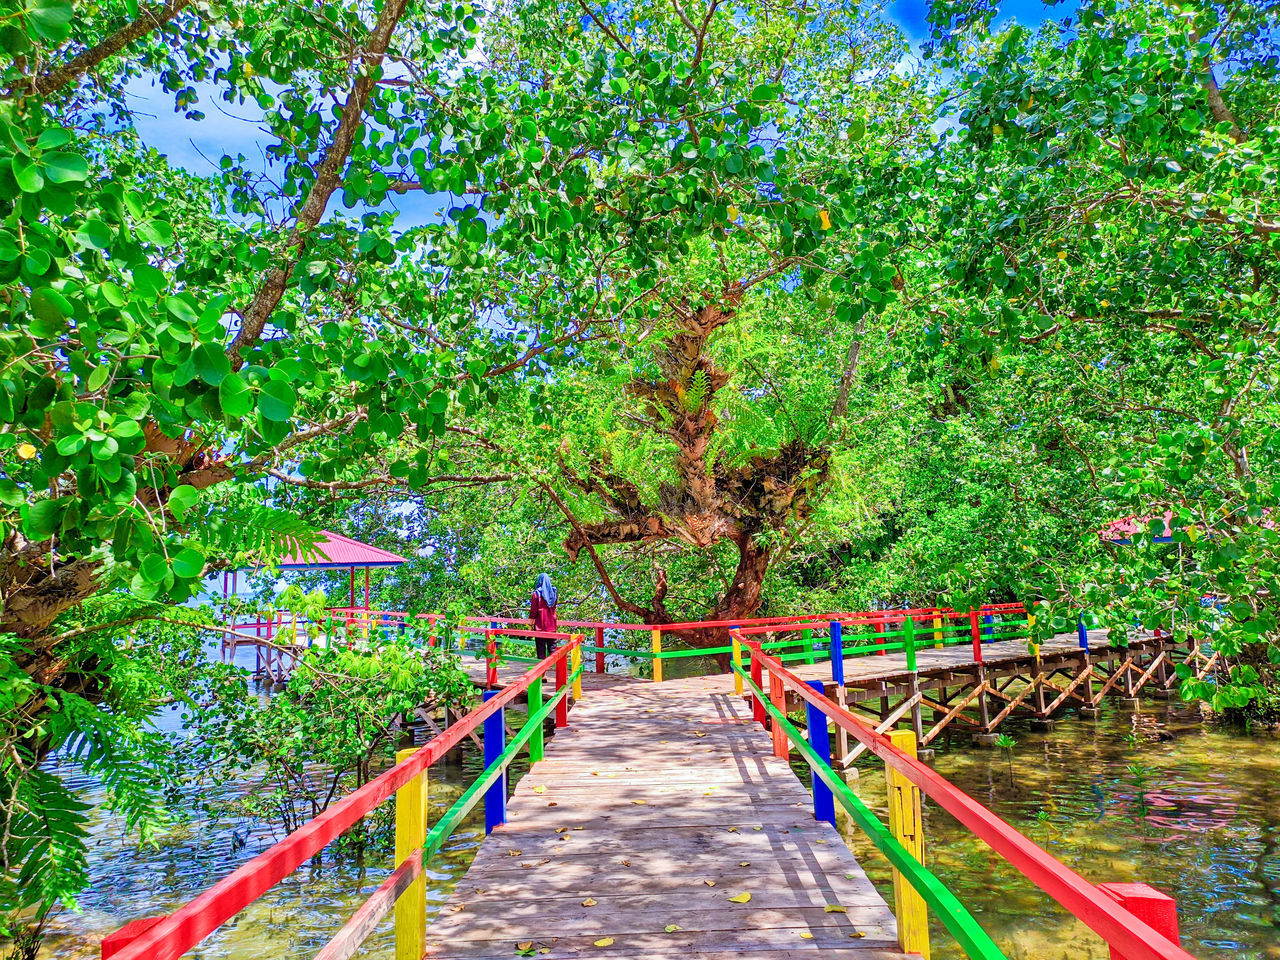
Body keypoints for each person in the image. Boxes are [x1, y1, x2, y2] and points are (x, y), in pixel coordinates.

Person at [529, 573, 559, 659]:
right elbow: (554, 607)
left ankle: (543, 672)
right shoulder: (554, 593)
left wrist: (530, 625)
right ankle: (555, 669)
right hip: (552, 626)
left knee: (541, 650)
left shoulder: (536, 594)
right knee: (553, 650)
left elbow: (533, 612)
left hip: (540, 626)